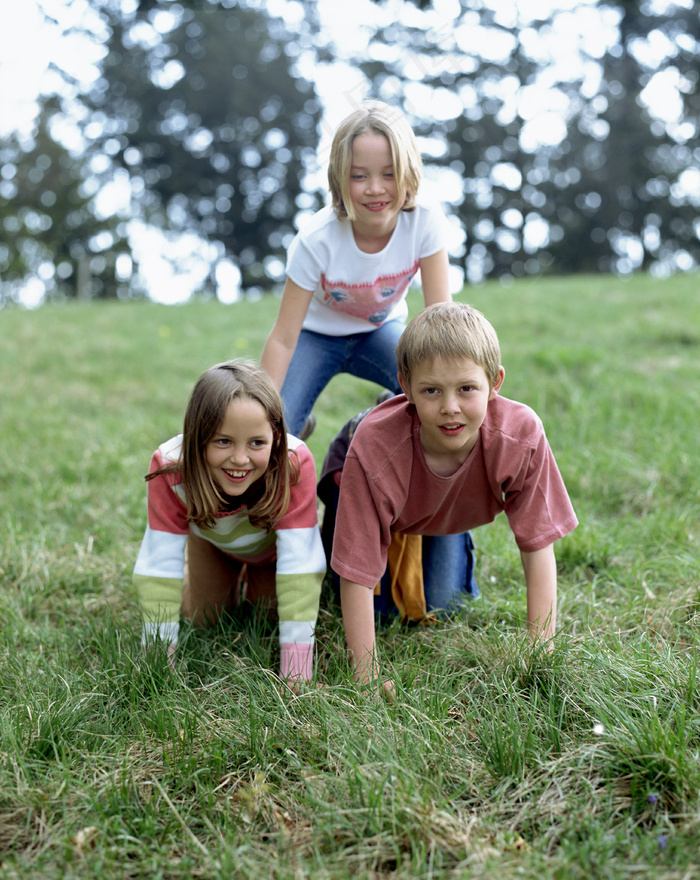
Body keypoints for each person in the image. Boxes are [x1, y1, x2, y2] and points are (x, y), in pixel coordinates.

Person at [331, 302, 579, 688]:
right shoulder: (375, 448)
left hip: (438, 509)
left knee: (444, 606)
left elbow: (538, 541)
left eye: (466, 389)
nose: (450, 408)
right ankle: (385, 411)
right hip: (364, 474)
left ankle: (440, 517)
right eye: (431, 390)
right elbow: (357, 569)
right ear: (407, 386)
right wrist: (366, 677)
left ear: (495, 383)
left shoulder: (521, 435)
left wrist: (539, 653)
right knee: (377, 612)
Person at [259, 99, 453, 437]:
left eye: (389, 174)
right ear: (338, 178)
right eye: (359, 176)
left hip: (380, 331)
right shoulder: (316, 240)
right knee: (273, 433)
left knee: (434, 398)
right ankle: (297, 422)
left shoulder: (425, 220)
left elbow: (440, 319)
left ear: (409, 170)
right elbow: (283, 339)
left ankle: (388, 412)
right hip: (314, 337)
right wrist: (260, 412)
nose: (375, 188)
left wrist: (448, 385)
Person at [132, 361, 326, 682]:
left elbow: (301, 565)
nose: (239, 459)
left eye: (256, 442)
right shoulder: (170, 467)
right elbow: (158, 564)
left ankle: (251, 580)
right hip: (213, 542)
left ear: (276, 438)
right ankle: (198, 575)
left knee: (263, 617)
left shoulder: (294, 463)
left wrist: (297, 672)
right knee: (205, 618)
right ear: (197, 437)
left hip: (271, 552)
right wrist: (157, 661)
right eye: (223, 441)